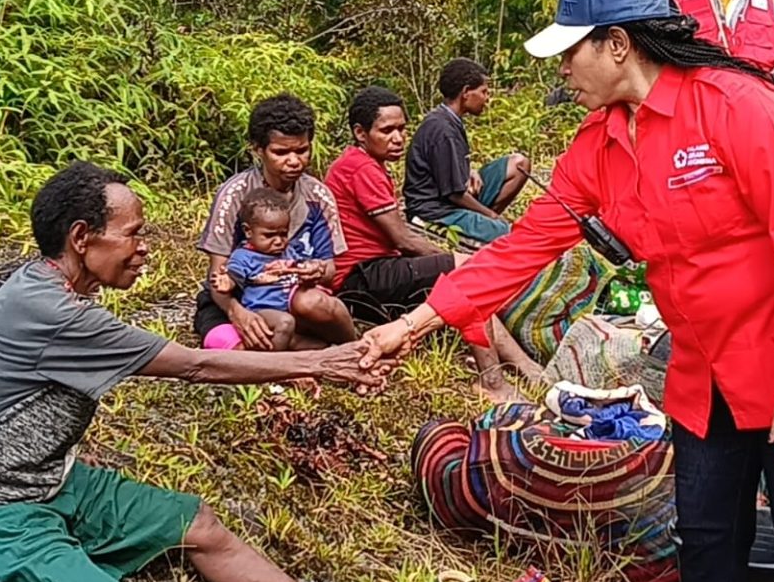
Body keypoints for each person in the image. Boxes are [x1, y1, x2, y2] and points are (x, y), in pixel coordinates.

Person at [359, 0, 774, 582]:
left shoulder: (742, 109)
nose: (563, 71)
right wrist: (409, 325)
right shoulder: (601, 143)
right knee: (703, 533)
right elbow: (519, 250)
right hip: (704, 369)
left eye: (569, 51)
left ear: (616, 44)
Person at [0, 161, 385, 582]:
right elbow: (197, 366)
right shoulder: (57, 314)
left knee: (198, 523)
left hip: (45, 482)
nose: (145, 246)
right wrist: (325, 362)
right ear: (82, 238)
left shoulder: (47, 291)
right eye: (134, 233)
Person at [325, 85, 543, 402]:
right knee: (467, 271)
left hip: (376, 268)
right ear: (360, 132)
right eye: (387, 130)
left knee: (465, 276)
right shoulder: (360, 168)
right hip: (361, 275)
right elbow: (402, 238)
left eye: (401, 129)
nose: (398, 138)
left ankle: (517, 362)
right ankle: (494, 381)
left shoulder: (364, 163)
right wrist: (452, 257)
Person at [194, 93, 348, 352]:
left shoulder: (317, 197)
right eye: (280, 152)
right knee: (236, 352)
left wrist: (318, 271)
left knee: (312, 304)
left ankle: (353, 349)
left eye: (302, 150)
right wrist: (237, 313)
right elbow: (217, 275)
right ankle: (300, 357)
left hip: (291, 298)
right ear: (258, 149)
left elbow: (331, 272)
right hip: (237, 301)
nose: (294, 160)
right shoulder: (236, 195)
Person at [403, 58, 531, 243]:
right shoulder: (442, 130)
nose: (487, 98)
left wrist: (469, 170)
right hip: (435, 210)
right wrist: (491, 215)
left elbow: (446, 165)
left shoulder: (449, 120)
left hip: (454, 195)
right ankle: (484, 227)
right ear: (465, 92)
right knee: (506, 233)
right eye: (483, 92)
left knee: (519, 164)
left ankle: (481, 224)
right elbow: (454, 193)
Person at [221, 187, 356, 350]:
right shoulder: (243, 256)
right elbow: (234, 275)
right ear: (248, 231)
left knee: (320, 346)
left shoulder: (288, 250)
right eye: (269, 236)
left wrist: (311, 268)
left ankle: (351, 347)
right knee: (285, 322)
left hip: (290, 309)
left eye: (283, 234)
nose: (278, 241)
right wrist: (226, 282)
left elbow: (301, 265)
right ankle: (274, 367)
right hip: (262, 310)